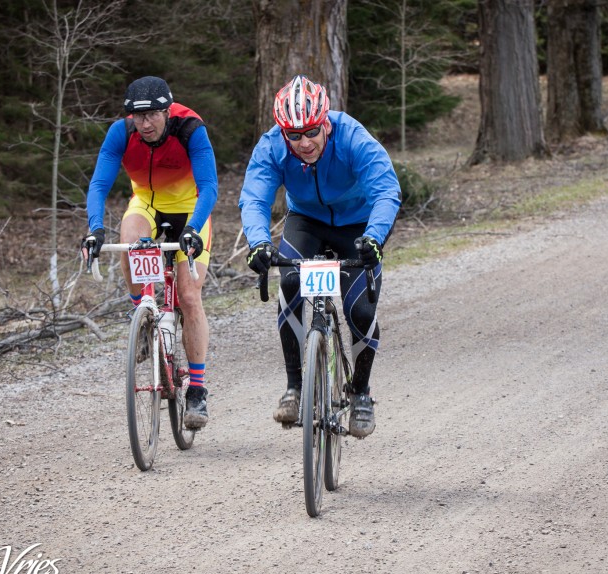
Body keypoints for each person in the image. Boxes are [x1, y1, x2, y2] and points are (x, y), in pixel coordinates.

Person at [238, 75, 401, 439]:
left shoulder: (352, 137)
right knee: (290, 281)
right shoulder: (272, 146)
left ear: (325, 122)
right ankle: (294, 388)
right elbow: (255, 197)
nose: (304, 142)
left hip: (357, 225)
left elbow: (386, 190)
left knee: (360, 311)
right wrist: (258, 242)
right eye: (294, 135)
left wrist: (374, 238)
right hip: (306, 221)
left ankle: (361, 393)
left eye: (311, 131)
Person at [82, 76, 217, 429]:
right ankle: (142, 317)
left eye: (153, 115)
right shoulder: (122, 133)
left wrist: (193, 229)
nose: (145, 124)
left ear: (167, 111)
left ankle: (197, 390)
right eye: (139, 116)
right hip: (147, 204)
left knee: (188, 295)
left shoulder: (190, 128)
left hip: (190, 209)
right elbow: (99, 184)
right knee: (129, 241)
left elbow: (209, 187)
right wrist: (95, 229)